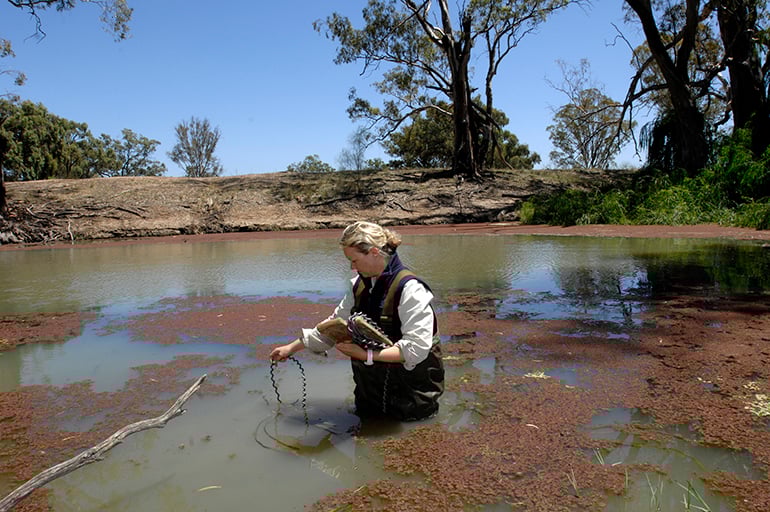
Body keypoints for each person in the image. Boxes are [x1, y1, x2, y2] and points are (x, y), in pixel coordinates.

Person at [270, 221, 444, 421]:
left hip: (413, 395)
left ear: (374, 252)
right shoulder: (359, 286)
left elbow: (416, 349)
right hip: (371, 392)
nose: (352, 267)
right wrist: (291, 348)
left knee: (411, 440)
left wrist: (366, 354)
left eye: (354, 260)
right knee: (367, 431)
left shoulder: (411, 290)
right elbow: (334, 325)